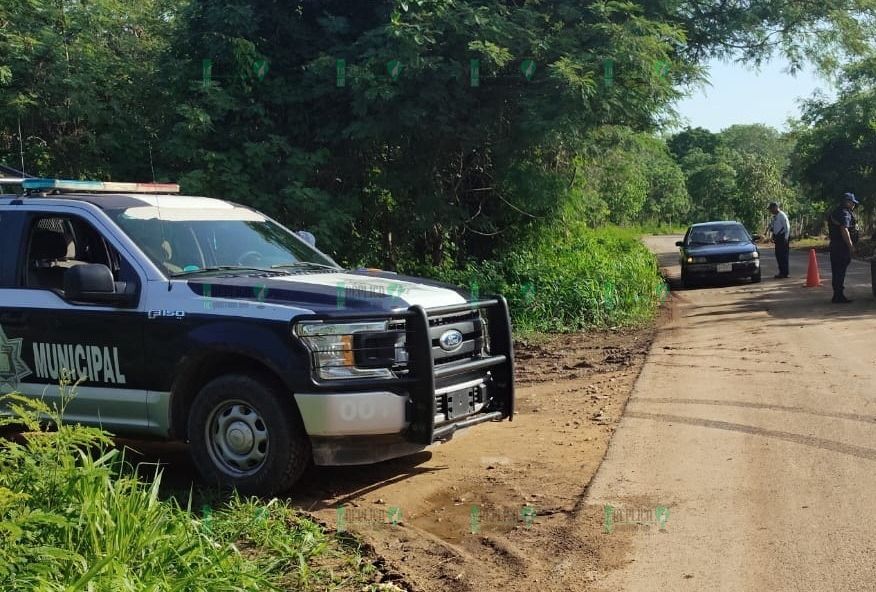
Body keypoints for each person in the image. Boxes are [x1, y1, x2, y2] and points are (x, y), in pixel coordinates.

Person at [827, 192, 859, 303]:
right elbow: (844, 229)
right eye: (852, 202)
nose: (854, 205)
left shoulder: (836, 212)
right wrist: (851, 246)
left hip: (835, 246)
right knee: (840, 271)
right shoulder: (844, 213)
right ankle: (838, 296)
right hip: (841, 246)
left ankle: (837, 295)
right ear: (847, 202)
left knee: (837, 271)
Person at [767, 201, 790, 278]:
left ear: (775, 207)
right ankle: (781, 272)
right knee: (778, 255)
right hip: (778, 237)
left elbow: (787, 227)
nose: (770, 211)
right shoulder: (775, 217)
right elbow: (774, 227)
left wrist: (786, 238)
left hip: (782, 237)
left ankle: (785, 273)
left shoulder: (782, 215)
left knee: (783, 255)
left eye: (771, 209)